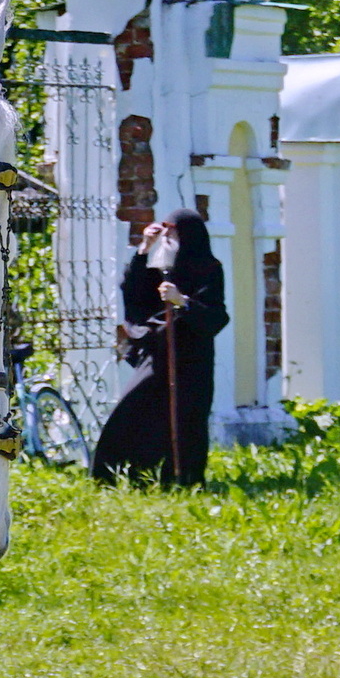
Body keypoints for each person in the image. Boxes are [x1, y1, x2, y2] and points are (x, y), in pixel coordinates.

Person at [91, 208, 229, 488]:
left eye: (172, 231)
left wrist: (183, 302)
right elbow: (133, 291)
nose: (166, 236)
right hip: (157, 356)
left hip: (191, 361)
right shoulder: (163, 267)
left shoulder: (209, 268)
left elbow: (216, 316)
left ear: (187, 235)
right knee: (132, 411)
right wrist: (144, 248)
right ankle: (116, 477)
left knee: (186, 419)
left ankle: (183, 481)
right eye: (164, 230)